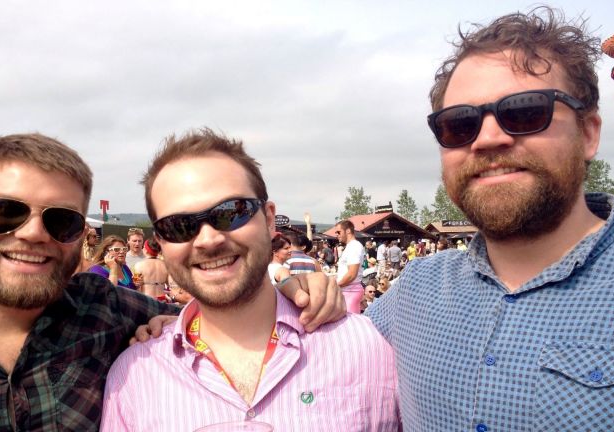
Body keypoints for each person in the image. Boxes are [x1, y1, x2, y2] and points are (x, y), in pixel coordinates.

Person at [0, 134, 344, 430]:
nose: (33, 233)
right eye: (5, 212)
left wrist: (294, 288)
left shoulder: (103, 310)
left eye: (61, 220)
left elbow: (217, 308)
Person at [366, 7, 614, 431]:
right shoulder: (416, 290)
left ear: (589, 133)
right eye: (459, 124)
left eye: (524, 112)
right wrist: (299, 292)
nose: (487, 139)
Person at [101, 128, 398, 431]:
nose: (208, 240)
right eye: (178, 226)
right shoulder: (134, 380)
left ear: (268, 219)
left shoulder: (367, 347)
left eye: (231, 212)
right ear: (161, 241)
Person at [334, 220, 365, 313]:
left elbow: (351, 274)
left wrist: (335, 285)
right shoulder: (351, 246)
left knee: (350, 320)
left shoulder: (354, 246)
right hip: (348, 290)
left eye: (338, 232)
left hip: (351, 290)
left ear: (348, 231)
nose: (337, 235)